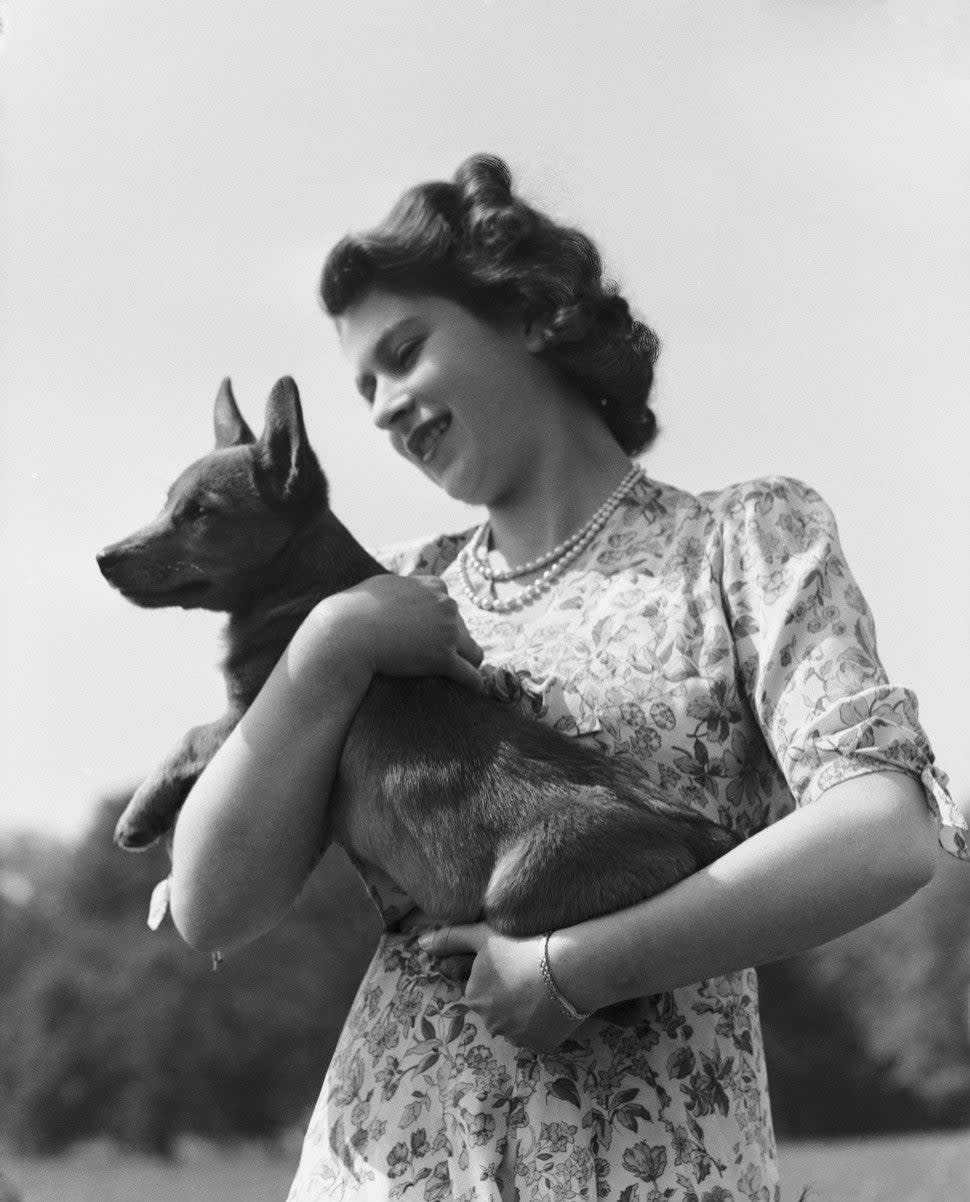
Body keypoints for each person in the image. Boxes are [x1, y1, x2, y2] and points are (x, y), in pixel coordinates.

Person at [168, 154, 968, 1201]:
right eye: (363, 387)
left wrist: (579, 964)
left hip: (652, 1164)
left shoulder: (743, 541)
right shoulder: (383, 596)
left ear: (526, 312)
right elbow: (214, 905)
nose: (382, 407)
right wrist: (324, 652)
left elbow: (886, 830)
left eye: (404, 353)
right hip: (386, 1165)